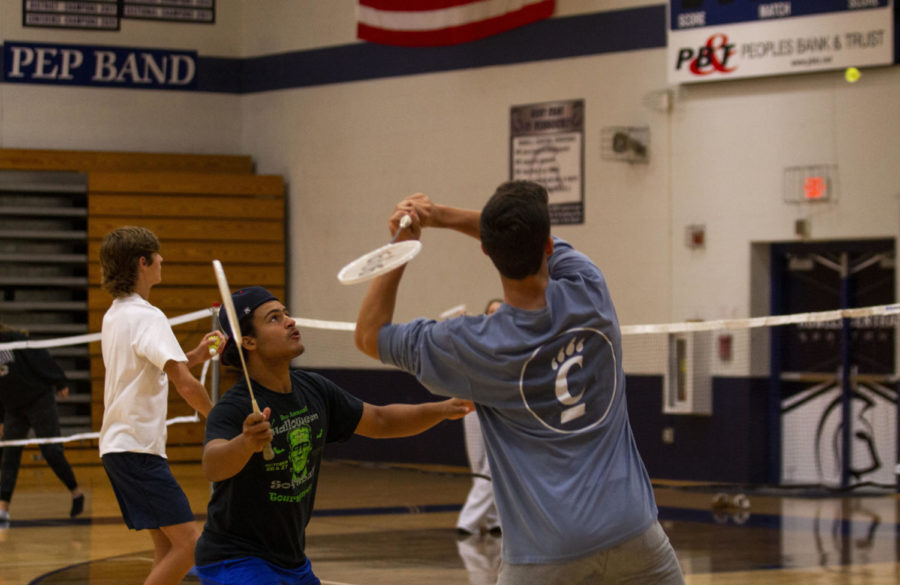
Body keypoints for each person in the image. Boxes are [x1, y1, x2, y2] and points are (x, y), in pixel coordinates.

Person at [355, 181, 685, 584]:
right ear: (548, 246)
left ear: (485, 252)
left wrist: (402, 244)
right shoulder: (589, 289)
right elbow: (519, 231)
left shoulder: (470, 344)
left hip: (545, 553)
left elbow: (369, 335)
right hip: (634, 533)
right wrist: (440, 213)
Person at [193, 286, 473, 585]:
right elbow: (213, 465)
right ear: (248, 340)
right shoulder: (234, 408)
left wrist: (443, 409)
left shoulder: (314, 389)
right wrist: (245, 443)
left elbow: (379, 420)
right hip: (236, 559)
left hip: (291, 560)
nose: (290, 321)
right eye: (274, 318)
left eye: (286, 313)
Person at [98, 226, 220, 585]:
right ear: (143, 262)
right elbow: (184, 384)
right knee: (190, 546)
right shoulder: (148, 316)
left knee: (167, 547)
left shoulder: (115, 314)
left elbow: (149, 370)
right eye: (157, 254)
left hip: (121, 448)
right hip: (137, 450)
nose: (162, 260)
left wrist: (196, 355)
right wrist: (218, 419)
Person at [0, 321, 84, 525]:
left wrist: (60, 381)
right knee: (9, 454)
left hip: (39, 399)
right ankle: (3, 509)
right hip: (14, 408)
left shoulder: (15, 340)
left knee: (51, 451)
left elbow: (42, 358)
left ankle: (76, 493)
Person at [456, 298, 502, 537]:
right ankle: (495, 520)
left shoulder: (513, 339)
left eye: (500, 311)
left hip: (499, 409)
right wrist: (462, 329)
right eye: (491, 311)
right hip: (473, 406)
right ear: (485, 314)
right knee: (478, 467)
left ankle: (467, 522)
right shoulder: (476, 338)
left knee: (492, 466)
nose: (495, 314)